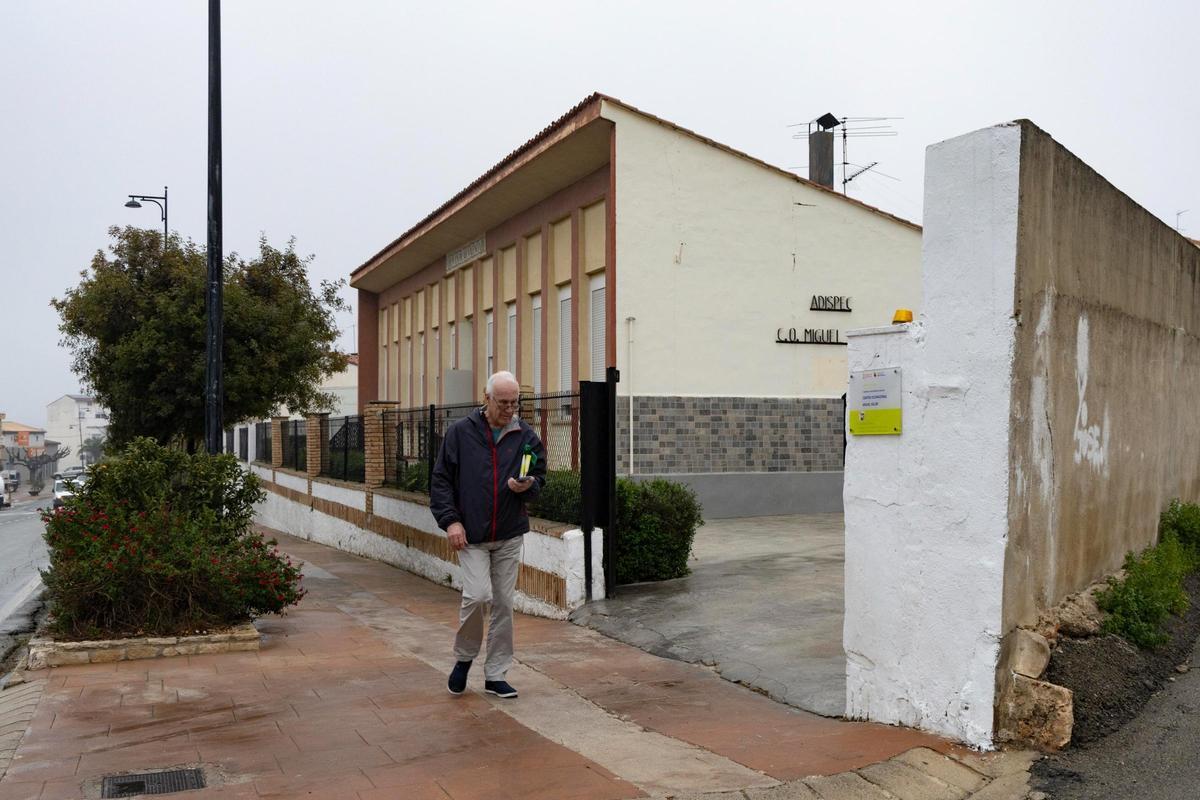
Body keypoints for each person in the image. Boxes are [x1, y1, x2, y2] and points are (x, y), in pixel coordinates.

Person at [430, 370, 547, 698]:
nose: (510, 409)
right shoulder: (460, 433)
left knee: (504, 604)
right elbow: (440, 481)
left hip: (509, 533)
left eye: (515, 403)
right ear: (487, 399)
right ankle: (464, 658)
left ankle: (496, 674)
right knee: (478, 595)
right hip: (471, 534)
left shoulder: (525, 435)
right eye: (503, 403)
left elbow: (540, 476)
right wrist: (451, 521)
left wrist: (529, 486)